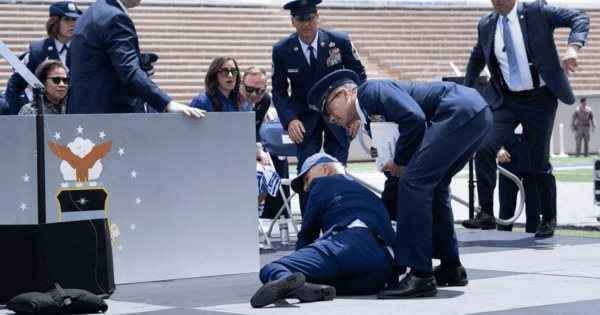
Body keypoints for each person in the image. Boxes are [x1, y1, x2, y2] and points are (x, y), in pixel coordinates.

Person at [307, 69, 492, 298]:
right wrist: (384, 209)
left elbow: (413, 119)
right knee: (434, 185)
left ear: (344, 95)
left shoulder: (370, 92)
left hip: (458, 110)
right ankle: (451, 267)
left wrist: (400, 162)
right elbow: (396, 167)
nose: (331, 119)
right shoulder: (370, 119)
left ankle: (421, 276)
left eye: (328, 110)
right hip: (474, 112)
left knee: (415, 184)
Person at [460, 0, 589, 238]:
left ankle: (548, 217)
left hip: (540, 100)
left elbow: (579, 18)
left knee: (538, 162)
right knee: (485, 146)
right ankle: (486, 212)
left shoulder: (537, 11)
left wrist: (573, 47)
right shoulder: (487, 24)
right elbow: (478, 56)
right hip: (506, 99)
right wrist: (466, 92)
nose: (497, 1)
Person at [251, 153, 395, 308]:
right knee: (328, 280)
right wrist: (394, 280)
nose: (306, 188)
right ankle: (308, 288)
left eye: (307, 179)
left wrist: (298, 260)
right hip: (381, 268)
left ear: (325, 169)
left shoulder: (323, 183)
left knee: (272, 269)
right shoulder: (371, 195)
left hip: (350, 244)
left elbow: (307, 234)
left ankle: (292, 283)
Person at [272, 0, 366, 212]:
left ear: (317, 17)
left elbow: (359, 77)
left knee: (337, 171)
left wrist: (356, 113)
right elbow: (278, 90)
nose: (306, 24)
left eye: (310, 18)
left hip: (341, 116)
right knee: (308, 173)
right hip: (304, 121)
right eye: (301, 19)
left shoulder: (339, 41)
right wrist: (290, 120)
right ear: (293, 22)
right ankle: (310, 229)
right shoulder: (282, 49)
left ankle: (339, 221)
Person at [67, 0, 203, 117]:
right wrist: (167, 103)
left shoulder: (87, 15)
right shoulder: (115, 17)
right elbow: (129, 70)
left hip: (81, 112)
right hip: (109, 116)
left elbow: (70, 60)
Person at [5, 1, 81, 115]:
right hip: (45, 118)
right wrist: (21, 116)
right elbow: (15, 85)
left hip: (76, 118)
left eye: (74, 20)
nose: (72, 24)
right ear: (55, 22)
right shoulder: (39, 50)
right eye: (66, 19)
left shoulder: (82, 50)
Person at [240, 67, 290, 217]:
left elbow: (257, 128)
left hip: (250, 144)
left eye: (259, 90)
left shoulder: (265, 100)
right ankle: (245, 212)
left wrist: (259, 152)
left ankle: (265, 211)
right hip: (233, 149)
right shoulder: (231, 99)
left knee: (274, 162)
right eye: (249, 89)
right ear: (241, 85)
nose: (254, 94)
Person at [496, 130, 540, 233]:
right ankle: (502, 239)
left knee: (534, 208)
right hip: (508, 161)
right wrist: (499, 148)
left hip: (532, 161)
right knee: (506, 208)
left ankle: (533, 239)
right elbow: (497, 127)